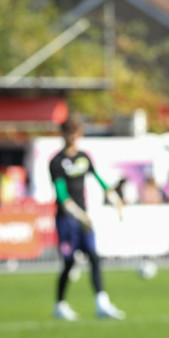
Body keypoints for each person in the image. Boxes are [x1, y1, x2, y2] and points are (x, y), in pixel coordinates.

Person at [49, 114, 126, 321]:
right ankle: (59, 305)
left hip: (84, 218)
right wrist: (78, 215)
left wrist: (115, 199)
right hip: (66, 219)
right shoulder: (57, 162)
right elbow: (62, 195)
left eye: (76, 133)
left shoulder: (84, 157)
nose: (73, 138)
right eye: (70, 133)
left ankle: (102, 303)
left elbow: (100, 180)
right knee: (69, 263)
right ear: (63, 135)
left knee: (94, 257)